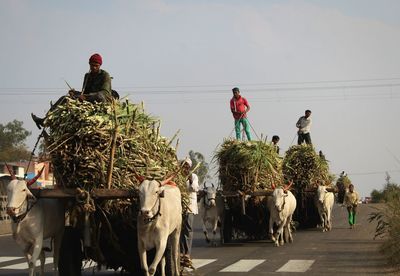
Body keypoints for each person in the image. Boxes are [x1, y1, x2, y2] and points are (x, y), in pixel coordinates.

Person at [31, 53, 114, 129]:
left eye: (96, 65)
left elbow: (105, 93)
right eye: (92, 65)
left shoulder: (105, 75)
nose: (94, 67)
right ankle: (44, 120)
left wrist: (85, 97)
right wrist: (75, 93)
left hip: (101, 100)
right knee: (65, 98)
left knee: (99, 95)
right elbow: (84, 93)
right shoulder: (87, 76)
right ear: (89, 64)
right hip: (88, 100)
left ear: (100, 65)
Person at [180, 157, 199, 268]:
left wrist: (190, 179)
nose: (185, 168)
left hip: (189, 207)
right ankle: (180, 252)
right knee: (179, 230)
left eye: (187, 166)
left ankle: (187, 253)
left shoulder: (194, 176)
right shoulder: (178, 177)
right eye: (184, 165)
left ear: (190, 167)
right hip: (179, 206)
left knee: (188, 229)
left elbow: (195, 188)